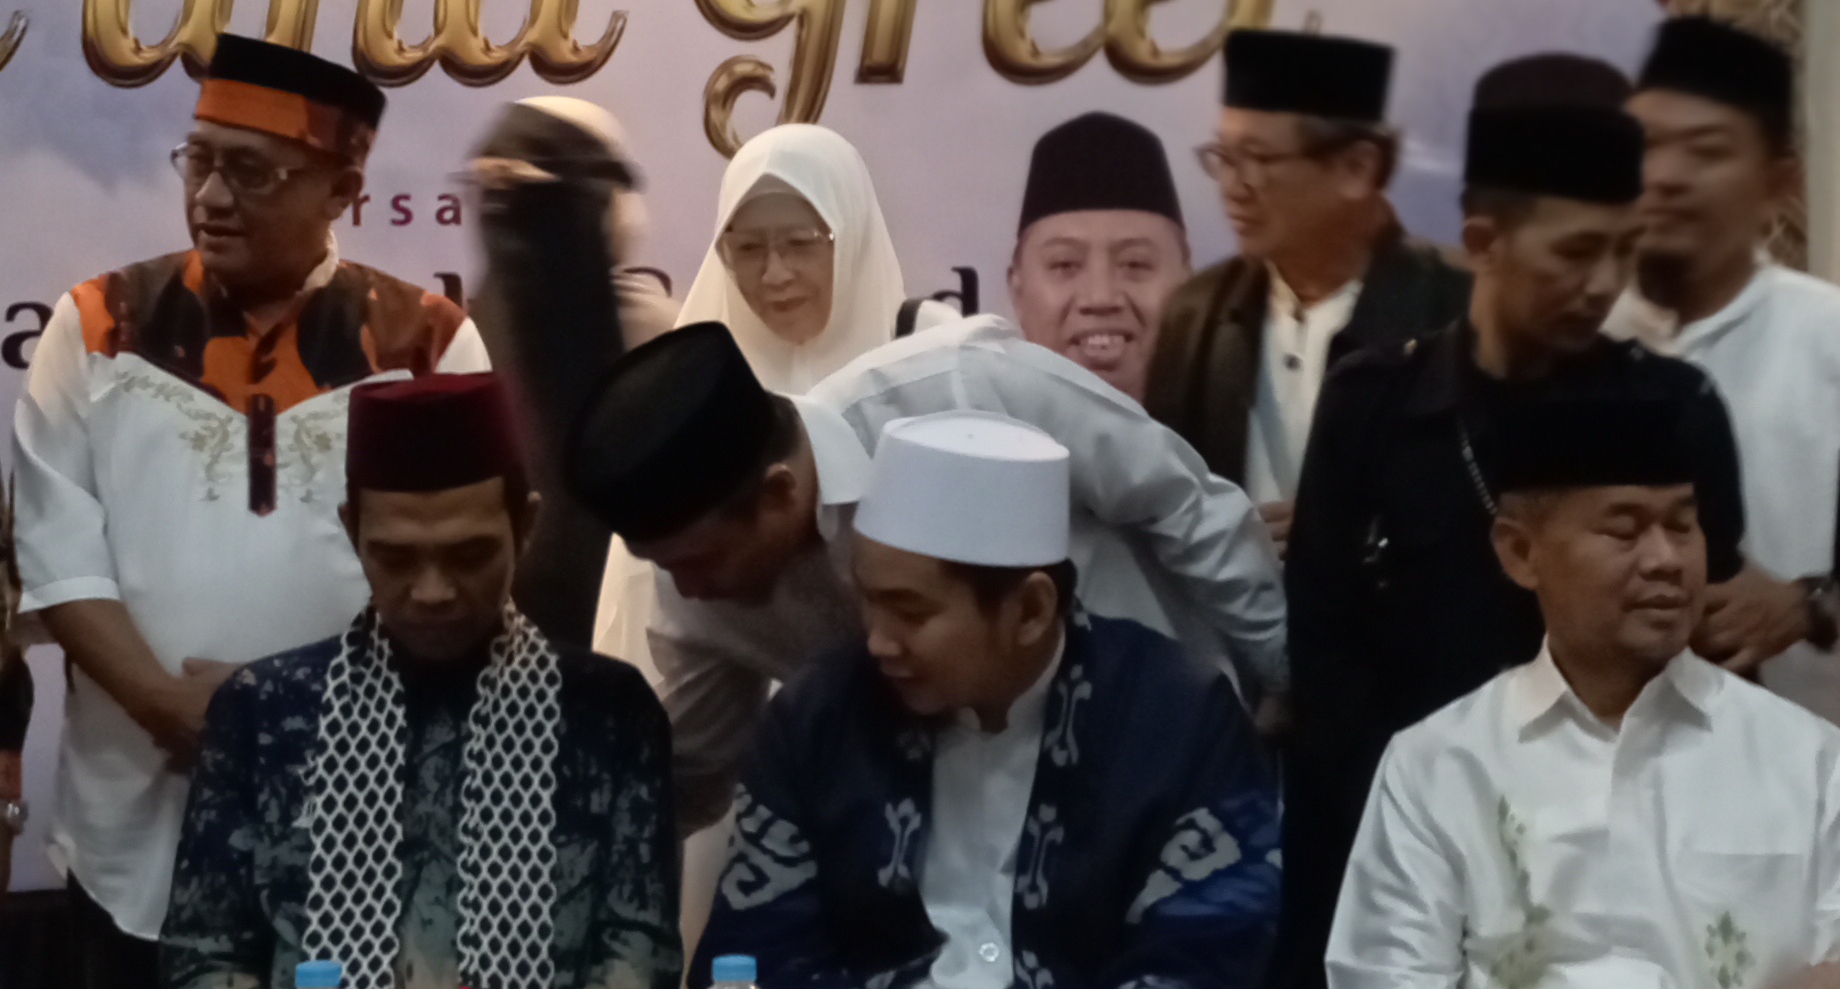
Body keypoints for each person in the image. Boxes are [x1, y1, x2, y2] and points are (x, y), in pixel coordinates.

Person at [9, 34, 489, 988]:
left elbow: (464, 575)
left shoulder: (427, 344)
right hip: (133, 824)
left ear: (342, 188)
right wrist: (166, 705)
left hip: (355, 813)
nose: (212, 197)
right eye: (199, 161)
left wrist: (289, 718)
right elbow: (58, 556)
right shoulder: (101, 324)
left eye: (253, 172)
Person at [1278, 55, 1750, 989]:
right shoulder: (1373, 404)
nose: (1605, 283)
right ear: (1483, 241)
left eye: (1624, 250)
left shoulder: (1674, 408)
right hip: (1402, 869)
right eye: (1576, 253)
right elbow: (1327, 680)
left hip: (1617, 888)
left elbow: (1708, 688)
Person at [567, 318, 1285, 836]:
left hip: (1169, 770)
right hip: (965, 853)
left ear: (780, 493)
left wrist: (1294, 689)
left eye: (698, 562)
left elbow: (1186, 507)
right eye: (664, 567)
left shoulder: (965, 387)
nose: (689, 590)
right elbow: (688, 783)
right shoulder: (690, 592)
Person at [690, 411, 1281, 989]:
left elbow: (1208, 951)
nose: (877, 641)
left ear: (1030, 611)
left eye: (910, 612)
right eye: (869, 601)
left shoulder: (1179, 721)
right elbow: (754, 948)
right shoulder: (817, 718)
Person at [163, 373, 680, 989]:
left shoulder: (610, 714)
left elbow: (638, 956)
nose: (432, 592)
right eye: (396, 558)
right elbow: (204, 956)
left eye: (469, 555)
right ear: (352, 531)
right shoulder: (263, 712)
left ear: (526, 527)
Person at [1326, 395, 1840, 989]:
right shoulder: (1439, 764)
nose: (1666, 560)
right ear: (1521, 552)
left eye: (1682, 526)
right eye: (1625, 530)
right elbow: (1385, 975)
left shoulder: (1807, 759)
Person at [1147, 28, 1471, 556]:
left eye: (1257, 158)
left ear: (1357, 168)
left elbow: (1502, 508)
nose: (1232, 187)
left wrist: (1350, 531)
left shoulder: (1458, 308)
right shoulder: (1197, 313)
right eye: (1224, 157)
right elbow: (1161, 506)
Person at [1607, 16, 1840, 722]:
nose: (1665, 177)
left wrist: (1812, 604)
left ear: (1779, 180)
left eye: (1706, 151)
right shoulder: (1573, 349)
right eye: (1645, 146)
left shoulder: (1828, 339)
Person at [464, 96, 655, 647]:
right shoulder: (457, 353)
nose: (509, 221)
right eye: (495, 193)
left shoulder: (658, 342)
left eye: (540, 201)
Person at [675, 122, 955, 393]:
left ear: (852, 240)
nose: (774, 275)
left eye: (800, 243)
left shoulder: (935, 353)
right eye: (748, 248)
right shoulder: (695, 378)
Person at [1009, 111, 1191, 404]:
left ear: (1189, 285)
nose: (1100, 298)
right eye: (1064, 265)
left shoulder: (1245, 429)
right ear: (1017, 291)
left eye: (1135, 264)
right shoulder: (973, 429)